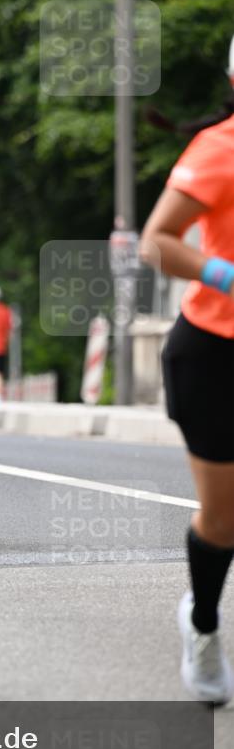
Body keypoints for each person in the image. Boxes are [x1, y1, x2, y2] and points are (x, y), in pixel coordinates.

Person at [140, 112, 234, 705]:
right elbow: (158, 240)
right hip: (216, 354)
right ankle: (202, 623)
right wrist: (224, 274)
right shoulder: (220, 148)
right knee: (224, 519)